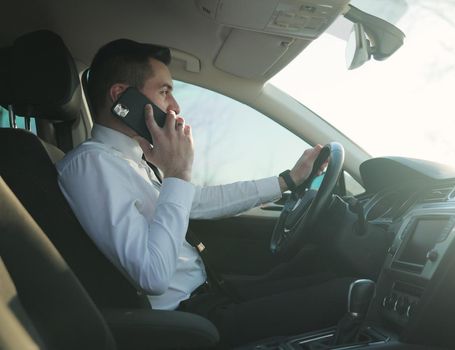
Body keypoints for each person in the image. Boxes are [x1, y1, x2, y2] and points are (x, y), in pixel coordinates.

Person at [57, 39, 352, 346]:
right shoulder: (90, 165)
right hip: (187, 320)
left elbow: (194, 201)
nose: (175, 106)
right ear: (121, 98)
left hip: (212, 294)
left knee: (322, 271)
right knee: (350, 293)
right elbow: (152, 275)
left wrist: (286, 181)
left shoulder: (132, 161)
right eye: (164, 91)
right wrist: (177, 174)